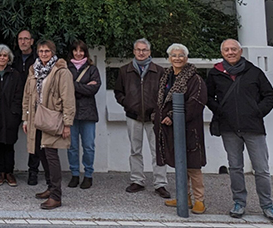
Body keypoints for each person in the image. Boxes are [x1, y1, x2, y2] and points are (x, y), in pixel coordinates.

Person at [206, 39, 273, 223]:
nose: (230, 52)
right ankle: (239, 203)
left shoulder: (254, 72)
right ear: (222, 52)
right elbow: (208, 97)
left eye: (233, 49)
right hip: (229, 129)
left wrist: (257, 112)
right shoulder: (215, 73)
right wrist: (221, 111)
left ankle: (267, 206)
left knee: (262, 169)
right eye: (226, 49)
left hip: (253, 128)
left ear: (240, 51)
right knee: (235, 168)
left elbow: (270, 96)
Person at [22, 39, 75, 210]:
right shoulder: (34, 69)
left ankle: (56, 195)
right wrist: (25, 119)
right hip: (35, 119)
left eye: (47, 51)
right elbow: (27, 96)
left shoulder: (61, 71)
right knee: (41, 153)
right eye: (41, 51)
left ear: (52, 52)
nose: (44, 54)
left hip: (52, 118)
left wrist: (67, 123)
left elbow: (68, 99)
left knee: (51, 155)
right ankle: (50, 187)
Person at [154, 43, 207, 214]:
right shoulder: (166, 77)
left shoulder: (195, 79)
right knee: (179, 163)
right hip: (170, 128)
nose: (177, 58)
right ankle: (185, 197)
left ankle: (199, 200)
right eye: (174, 55)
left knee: (193, 166)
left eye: (181, 55)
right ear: (169, 58)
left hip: (189, 128)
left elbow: (195, 103)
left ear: (186, 58)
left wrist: (174, 116)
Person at [114, 38, 170, 198]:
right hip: (133, 116)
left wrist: (159, 112)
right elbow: (119, 92)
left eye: (144, 50)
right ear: (134, 51)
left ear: (149, 52)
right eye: (138, 49)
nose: (141, 52)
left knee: (158, 151)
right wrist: (127, 104)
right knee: (135, 150)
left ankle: (160, 183)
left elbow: (165, 94)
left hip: (154, 118)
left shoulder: (159, 71)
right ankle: (137, 180)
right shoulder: (124, 71)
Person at [0, 43, 23, 186]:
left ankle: (9, 172)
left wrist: (15, 113)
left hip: (10, 115)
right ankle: (0, 172)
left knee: (9, 145)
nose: (2, 58)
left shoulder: (15, 74)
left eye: (5, 55)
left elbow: (18, 96)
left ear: (9, 58)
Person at [66, 40, 101, 189]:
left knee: (89, 146)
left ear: (85, 52)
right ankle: (74, 174)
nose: (78, 53)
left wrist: (73, 85)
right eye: (75, 50)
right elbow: (64, 89)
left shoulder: (92, 69)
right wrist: (84, 87)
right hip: (71, 112)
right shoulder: (66, 69)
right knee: (72, 146)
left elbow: (93, 90)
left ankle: (88, 175)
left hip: (88, 113)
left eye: (81, 50)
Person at [12, 29, 41, 185]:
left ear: (32, 41)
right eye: (20, 39)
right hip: (15, 101)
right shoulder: (13, 58)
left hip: (33, 103)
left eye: (26, 39)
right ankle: (4, 170)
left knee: (34, 138)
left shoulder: (38, 59)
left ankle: (33, 171)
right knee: (8, 134)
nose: (23, 42)